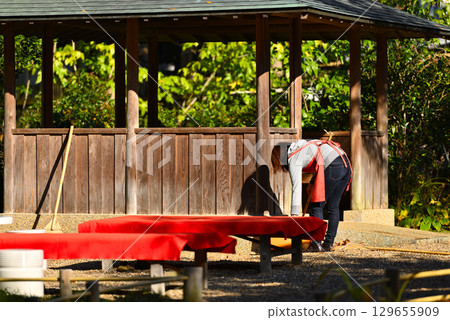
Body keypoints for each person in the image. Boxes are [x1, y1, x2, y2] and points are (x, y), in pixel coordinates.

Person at [271, 139, 352, 252]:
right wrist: (312, 182)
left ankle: (316, 243)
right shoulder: (302, 146)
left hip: (333, 165)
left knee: (317, 205)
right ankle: (328, 244)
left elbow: (296, 188)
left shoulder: (294, 157)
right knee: (333, 206)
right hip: (346, 165)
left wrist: (294, 216)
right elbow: (319, 160)